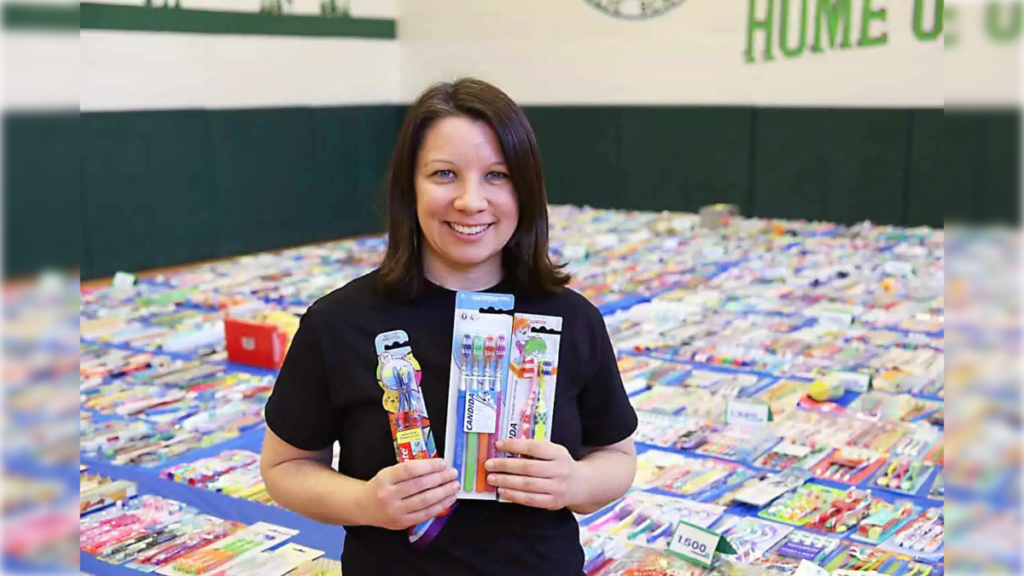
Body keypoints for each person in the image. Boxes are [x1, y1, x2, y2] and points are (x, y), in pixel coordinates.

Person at [260, 77, 638, 575]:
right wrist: (366, 502)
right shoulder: (340, 322)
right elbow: (285, 467)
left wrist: (576, 484)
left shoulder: (570, 318)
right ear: (408, 187)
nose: (470, 201)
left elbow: (616, 455)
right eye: (444, 174)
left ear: (526, 189)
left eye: (497, 175)